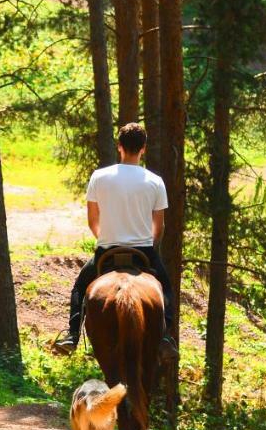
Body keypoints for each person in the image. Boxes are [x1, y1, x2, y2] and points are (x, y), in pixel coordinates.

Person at [53, 123, 175, 356]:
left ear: (119, 146)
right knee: (166, 289)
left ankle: (72, 335)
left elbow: (92, 220)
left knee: (80, 287)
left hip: (107, 250)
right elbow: (159, 227)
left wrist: (107, 239)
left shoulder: (99, 177)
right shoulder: (155, 181)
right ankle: (165, 337)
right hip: (144, 251)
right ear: (143, 149)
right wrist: (148, 244)